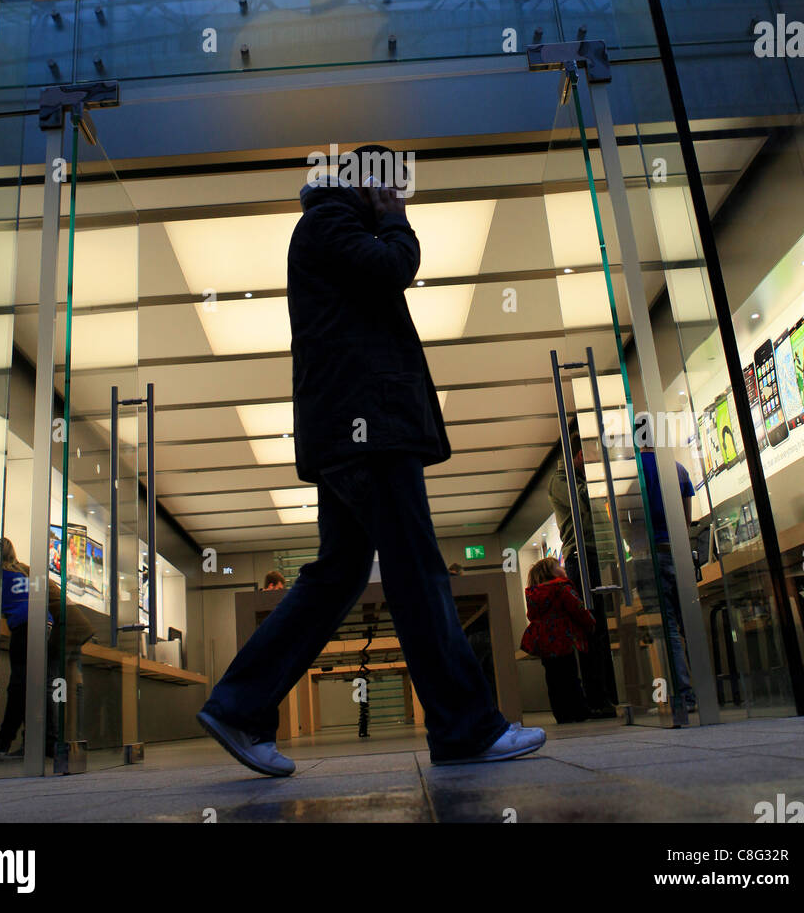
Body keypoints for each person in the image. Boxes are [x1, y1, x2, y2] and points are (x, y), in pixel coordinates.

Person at [197, 144, 546, 774]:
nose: (402, 196)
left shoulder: (331, 224)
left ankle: (240, 706)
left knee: (340, 573)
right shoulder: (331, 223)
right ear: (372, 184)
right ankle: (465, 728)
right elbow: (394, 267)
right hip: (367, 429)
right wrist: (395, 220)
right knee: (416, 570)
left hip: (351, 430)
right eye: (395, 186)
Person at [547, 437, 618, 718]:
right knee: (591, 629)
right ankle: (598, 698)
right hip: (582, 556)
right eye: (589, 456)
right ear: (577, 455)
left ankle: (605, 697)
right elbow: (581, 505)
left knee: (599, 630)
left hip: (595, 553)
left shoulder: (574, 478)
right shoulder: (561, 480)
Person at [635, 450, 697, 716]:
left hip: (651, 555)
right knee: (690, 625)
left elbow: (627, 523)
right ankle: (704, 689)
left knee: (667, 629)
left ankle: (683, 696)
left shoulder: (633, 473)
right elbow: (687, 520)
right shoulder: (678, 469)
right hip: (678, 552)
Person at [0, 537, 53, 759]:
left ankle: (2, 745)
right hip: (44, 623)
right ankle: (42, 742)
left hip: (25, 626)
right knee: (31, 685)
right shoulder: (21, 573)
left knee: (18, 686)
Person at [520, 558, 594, 723]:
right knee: (570, 675)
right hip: (563, 638)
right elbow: (577, 608)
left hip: (545, 642)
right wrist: (590, 622)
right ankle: (579, 711)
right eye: (558, 566)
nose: (562, 568)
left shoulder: (533, 594)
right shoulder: (562, 587)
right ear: (551, 572)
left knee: (553, 679)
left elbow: (532, 616)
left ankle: (561, 714)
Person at [448, 562, 497, 699]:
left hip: (471, 634)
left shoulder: (448, 587)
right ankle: (493, 708)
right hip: (484, 631)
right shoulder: (468, 587)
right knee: (489, 675)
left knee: (473, 674)